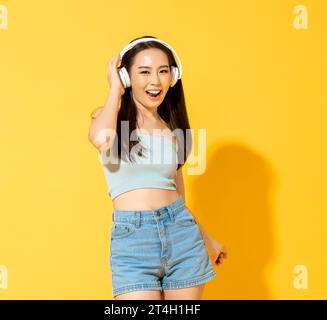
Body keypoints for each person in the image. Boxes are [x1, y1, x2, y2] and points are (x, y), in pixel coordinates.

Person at [88, 36, 227, 300]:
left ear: (173, 76)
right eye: (144, 72)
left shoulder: (173, 130)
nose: (155, 81)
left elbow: (179, 198)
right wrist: (114, 89)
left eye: (163, 71)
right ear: (127, 77)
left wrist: (207, 239)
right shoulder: (110, 120)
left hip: (182, 238)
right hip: (132, 242)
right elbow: (99, 139)